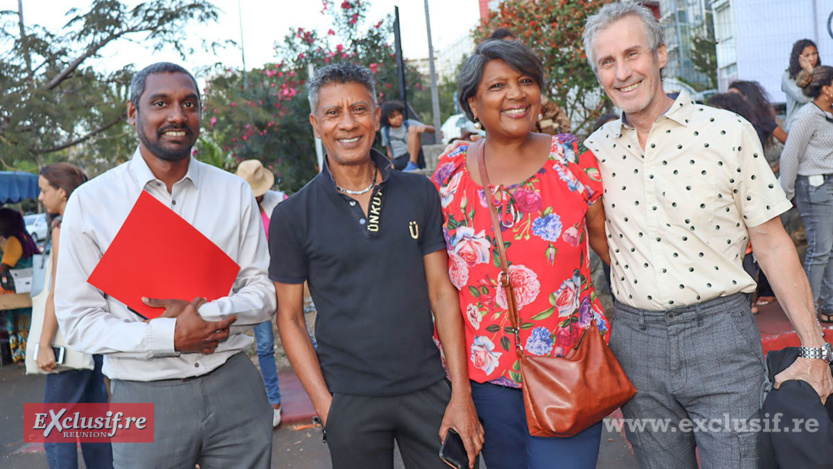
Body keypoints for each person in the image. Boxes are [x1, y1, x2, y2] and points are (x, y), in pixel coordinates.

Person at [582, 3, 833, 467]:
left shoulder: (726, 133)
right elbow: (599, 241)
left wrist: (815, 349)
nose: (622, 73)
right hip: (636, 345)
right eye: (607, 62)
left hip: (721, 338)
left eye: (632, 54)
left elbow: (774, 243)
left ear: (661, 54)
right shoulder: (592, 155)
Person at [55, 62, 276, 468]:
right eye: (161, 103)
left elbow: (263, 293)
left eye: (188, 103)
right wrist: (168, 335)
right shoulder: (91, 203)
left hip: (234, 386)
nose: (177, 115)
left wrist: (205, 315)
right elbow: (77, 321)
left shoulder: (234, 193)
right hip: (144, 393)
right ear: (133, 113)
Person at [269, 63, 483, 469]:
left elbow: (442, 293)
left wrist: (460, 393)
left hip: (429, 390)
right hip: (350, 401)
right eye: (333, 113)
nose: (347, 124)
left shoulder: (419, 190)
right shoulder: (292, 215)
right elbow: (291, 319)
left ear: (376, 114)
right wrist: (327, 407)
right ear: (317, 124)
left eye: (359, 109)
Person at [432, 39, 610, 469]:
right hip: (485, 382)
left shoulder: (572, 159)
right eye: (497, 86)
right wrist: (458, 389)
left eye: (525, 81)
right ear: (473, 104)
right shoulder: (450, 174)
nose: (515, 94)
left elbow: (611, 248)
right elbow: (441, 289)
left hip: (569, 369)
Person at [35, 163, 113, 469]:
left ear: (62, 192)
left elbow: (58, 292)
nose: (41, 198)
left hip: (69, 338)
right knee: (94, 426)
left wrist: (44, 345)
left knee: (56, 428)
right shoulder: (96, 224)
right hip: (96, 334)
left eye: (44, 190)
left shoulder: (62, 227)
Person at [779, 66, 833, 324]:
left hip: (829, 184)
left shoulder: (828, 114)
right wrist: (785, 193)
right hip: (813, 187)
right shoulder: (807, 116)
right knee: (820, 250)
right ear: (827, 88)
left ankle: (830, 306)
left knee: (830, 249)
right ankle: (808, 314)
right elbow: (790, 154)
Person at [235, 158, 286, 427]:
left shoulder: (279, 201)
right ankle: (273, 401)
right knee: (265, 344)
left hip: (284, 280)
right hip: (256, 285)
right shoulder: (234, 208)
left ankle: (329, 391)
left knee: (306, 337)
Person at [0, 207, 39, 363]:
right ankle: (28, 353)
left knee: (18, 323)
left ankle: (21, 355)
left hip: (14, 291)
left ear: (6, 222)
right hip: (26, 289)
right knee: (27, 321)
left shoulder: (13, 240)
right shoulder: (24, 236)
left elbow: (5, 265)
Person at [379, 101, 435, 171]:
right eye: (393, 117)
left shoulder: (409, 123)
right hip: (399, 159)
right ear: (387, 120)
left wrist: (424, 128)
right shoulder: (385, 131)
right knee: (389, 167)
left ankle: (412, 163)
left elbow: (433, 129)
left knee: (412, 128)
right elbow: (389, 151)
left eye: (399, 114)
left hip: (413, 155)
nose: (398, 118)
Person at [782, 39, 820, 132]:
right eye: (807, 55)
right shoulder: (788, 76)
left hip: (817, 125)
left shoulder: (821, 72)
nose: (812, 58)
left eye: (814, 54)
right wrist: (810, 72)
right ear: (798, 57)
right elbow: (803, 97)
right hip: (796, 127)